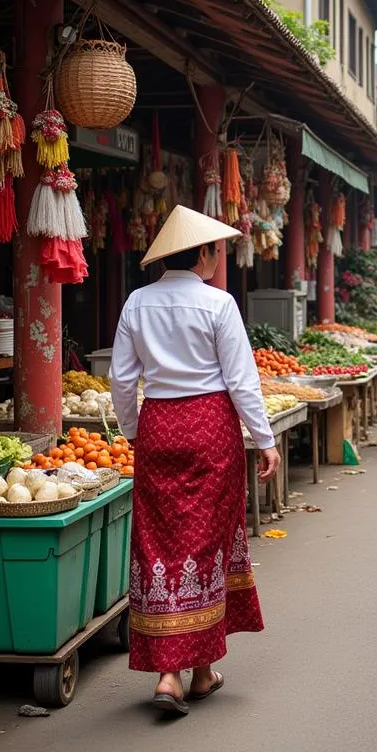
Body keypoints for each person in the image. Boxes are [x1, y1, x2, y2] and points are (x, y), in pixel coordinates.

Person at [109, 205, 280, 717]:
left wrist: (137, 430)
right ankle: (188, 671)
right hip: (210, 427)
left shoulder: (137, 302)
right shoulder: (218, 304)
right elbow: (242, 380)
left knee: (160, 542)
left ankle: (182, 673)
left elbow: (122, 381)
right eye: (217, 250)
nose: (219, 257)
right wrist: (264, 439)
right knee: (207, 540)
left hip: (160, 424)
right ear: (202, 252)